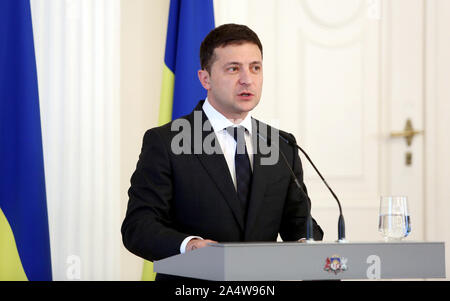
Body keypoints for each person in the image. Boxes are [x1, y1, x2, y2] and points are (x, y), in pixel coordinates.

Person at [121, 23, 323, 281]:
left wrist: (308, 242)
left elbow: (298, 222)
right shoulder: (165, 141)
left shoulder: (282, 144)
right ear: (205, 78)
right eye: (233, 68)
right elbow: (138, 227)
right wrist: (190, 246)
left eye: (255, 68)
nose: (247, 79)